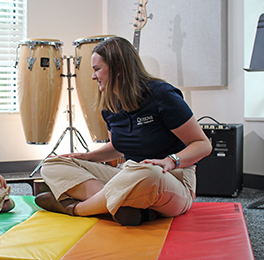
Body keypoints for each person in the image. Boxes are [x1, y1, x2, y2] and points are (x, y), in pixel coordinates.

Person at [35, 36, 212, 226]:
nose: (93, 77)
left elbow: (202, 145)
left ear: (118, 69)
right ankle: (128, 206)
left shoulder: (162, 95)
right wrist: (87, 157)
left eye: (97, 69)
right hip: (127, 175)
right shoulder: (109, 105)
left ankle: (77, 209)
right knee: (52, 164)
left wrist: (170, 161)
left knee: (147, 173)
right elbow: (117, 147)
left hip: (168, 179)